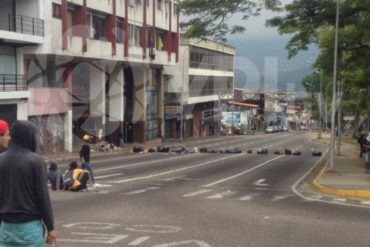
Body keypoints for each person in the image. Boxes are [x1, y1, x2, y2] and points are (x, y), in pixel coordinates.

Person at [0, 120, 57, 247]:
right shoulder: (35, 160)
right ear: (29, 137)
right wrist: (50, 227)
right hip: (29, 226)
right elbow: (42, 196)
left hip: (5, 227)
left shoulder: (1, 159)